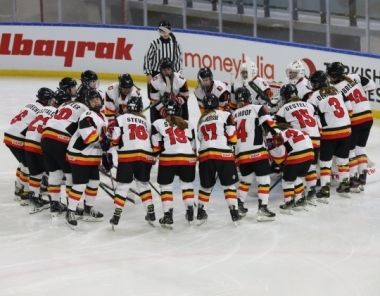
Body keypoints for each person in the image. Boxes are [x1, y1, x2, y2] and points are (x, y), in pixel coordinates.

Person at [327, 62, 376, 192]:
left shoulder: (334, 88)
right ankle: (362, 178)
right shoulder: (354, 76)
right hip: (368, 116)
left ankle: (354, 180)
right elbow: (372, 85)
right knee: (361, 148)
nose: (330, 78)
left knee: (350, 151)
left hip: (355, 119)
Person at [109, 95, 155, 228]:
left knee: (123, 186)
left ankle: (116, 216)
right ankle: (151, 212)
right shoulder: (147, 122)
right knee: (143, 185)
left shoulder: (121, 118)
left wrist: (113, 146)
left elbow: (115, 139)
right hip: (146, 155)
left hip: (128, 156)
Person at [41, 86, 89, 216]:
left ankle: (55, 204)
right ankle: (71, 206)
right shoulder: (85, 110)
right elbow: (84, 133)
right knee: (70, 175)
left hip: (45, 137)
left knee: (55, 173)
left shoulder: (64, 105)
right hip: (60, 140)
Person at [232, 87, 276, 221]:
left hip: (241, 154)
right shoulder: (257, 108)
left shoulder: (233, 114)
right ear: (249, 98)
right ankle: (262, 208)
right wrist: (277, 135)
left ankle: (239, 206)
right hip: (257, 151)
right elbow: (270, 125)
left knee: (246, 180)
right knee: (264, 180)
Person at [65, 90, 108, 229]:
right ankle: (70, 211)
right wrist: (106, 142)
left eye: (97, 99)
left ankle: (88, 209)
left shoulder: (103, 116)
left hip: (92, 156)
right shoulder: (87, 115)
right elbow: (88, 137)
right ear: (88, 103)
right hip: (80, 155)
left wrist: (107, 152)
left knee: (94, 182)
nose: (96, 102)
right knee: (80, 184)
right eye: (92, 100)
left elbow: (103, 139)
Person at [151, 100, 197, 228]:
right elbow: (193, 145)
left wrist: (155, 155)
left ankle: (168, 215)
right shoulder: (188, 123)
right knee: (187, 185)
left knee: (166, 187)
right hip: (188, 158)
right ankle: (190, 211)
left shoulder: (158, 123)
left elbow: (155, 145)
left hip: (169, 158)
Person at [308, 70, 352, 202]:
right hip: (345, 130)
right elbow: (349, 108)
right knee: (343, 160)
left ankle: (325, 189)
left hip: (329, 133)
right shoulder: (337, 90)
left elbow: (311, 116)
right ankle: (345, 186)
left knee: (325, 163)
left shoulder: (314, 96)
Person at [3, 87, 52, 205]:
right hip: (19, 137)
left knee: (23, 163)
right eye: (50, 99)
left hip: (9, 134)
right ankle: (24, 193)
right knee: (27, 166)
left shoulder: (30, 104)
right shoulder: (43, 109)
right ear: (45, 99)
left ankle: (19, 188)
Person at [197, 94, 240, 224]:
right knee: (229, 185)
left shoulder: (201, 119)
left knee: (206, 186)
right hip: (223, 154)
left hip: (205, 154)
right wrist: (231, 144)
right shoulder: (225, 114)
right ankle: (234, 212)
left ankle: (200, 212)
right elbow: (232, 135)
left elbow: (200, 138)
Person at [25, 89, 70, 214]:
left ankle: (34, 197)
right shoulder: (58, 113)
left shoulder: (42, 110)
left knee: (35, 173)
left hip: (28, 142)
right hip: (40, 144)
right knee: (55, 174)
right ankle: (55, 202)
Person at [276, 84, 320, 202]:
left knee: (296, 169)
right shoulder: (309, 105)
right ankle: (311, 190)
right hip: (316, 138)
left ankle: (299, 192)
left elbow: (282, 130)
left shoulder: (283, 109)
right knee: (311, 167)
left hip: (302, 141)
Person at [265, 123, 314, 214]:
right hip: (310, 154)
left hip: (295, 156)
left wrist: (277, 163)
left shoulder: (274, 134)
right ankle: (300, 200)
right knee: (298, 177)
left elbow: (278, 154)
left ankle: (288, 202)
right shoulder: (296, 130)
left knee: (287, 181)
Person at [143, 20, 182, 91]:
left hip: (169, 74)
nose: (165, 33)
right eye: (162, 31)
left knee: (169, 97)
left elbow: (178, 60)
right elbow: (147, 58)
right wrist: (148, 74)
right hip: (156, 73)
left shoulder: (175, 44)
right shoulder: (154, 44)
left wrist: (177, 74)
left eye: (166, 31)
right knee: (154, 97)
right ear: (159, 31)